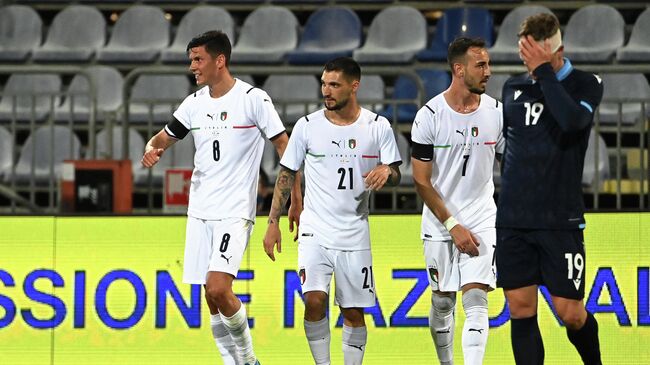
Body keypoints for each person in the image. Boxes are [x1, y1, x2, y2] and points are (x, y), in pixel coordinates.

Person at [141, 30, 302, 365]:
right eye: (190, 60)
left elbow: (286, 147)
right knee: (209, 297)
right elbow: (162, 138)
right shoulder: (194, 104)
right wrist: (151, 149)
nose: (192, 67)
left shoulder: (253, 99)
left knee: (218, 287)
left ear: (220, 60)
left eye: (198, 59)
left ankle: (248, 359)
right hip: (199, 210)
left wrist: (293, 200)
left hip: (233, 211)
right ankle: (233, 362)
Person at [262, 57, 401, 365]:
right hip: (316, 228)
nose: (326, 90)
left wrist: (386, 172)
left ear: (354, 86)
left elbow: (395, 172)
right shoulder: (307, 126)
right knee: (313, 300)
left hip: (354, 230)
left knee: (353, 312)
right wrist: (272, 221)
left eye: (334, 85)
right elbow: (287, 173)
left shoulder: (378, 127)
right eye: (324, 83)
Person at [496, 13, 603, 365]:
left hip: (560, 218)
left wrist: (544, 72)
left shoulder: (587, 83)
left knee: (570, 312)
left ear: (557, 51)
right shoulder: (512, 87)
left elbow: (573, 122)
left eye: (535, 57)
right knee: (521, 309)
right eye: (524, 58)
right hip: (514, 218)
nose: (528, 66)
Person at [410, 37, 503, 365]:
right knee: (443, 302)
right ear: (459, 69)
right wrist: (452, 225)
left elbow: (510, 165)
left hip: (481, 217)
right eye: (481, 65)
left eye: (488, 64)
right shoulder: (430, 116)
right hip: (440, 221)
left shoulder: (497, 113)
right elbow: (421, 180)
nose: (488, 72)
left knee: (477, 298)